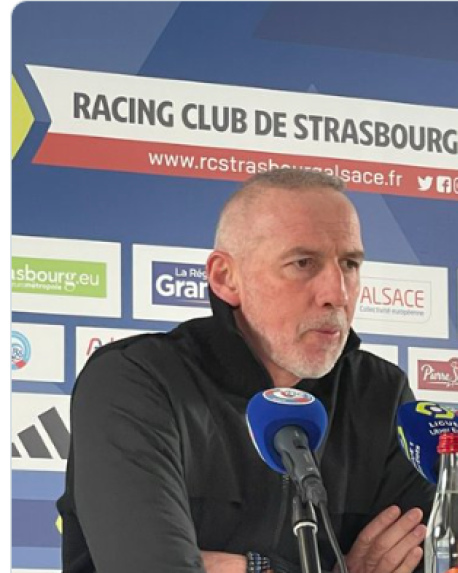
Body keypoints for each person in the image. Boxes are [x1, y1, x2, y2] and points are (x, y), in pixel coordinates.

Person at [58, 169, 435, 573]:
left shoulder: (382, 394)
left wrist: (238, 567)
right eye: (303, 263)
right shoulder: (135, 381)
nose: (337, 293)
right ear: (226, 278)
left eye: (349, 263)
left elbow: (433, 561)